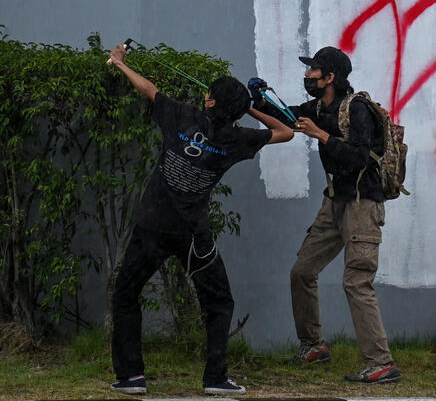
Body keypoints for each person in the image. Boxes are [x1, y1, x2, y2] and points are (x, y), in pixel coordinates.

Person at [107, 44, 294, 395]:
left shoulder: (182, 116)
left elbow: (148, 89)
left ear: (209, 103)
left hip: (151, 226)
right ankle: (215, 379)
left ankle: (131, 377)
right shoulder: (238, 137)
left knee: (126, 295)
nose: (205, 95)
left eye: (209, 93)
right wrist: (249, 107)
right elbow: (286, 132)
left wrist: (119, 63)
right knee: (219, 302)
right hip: (193, 235)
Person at [249, 46, 401, 384]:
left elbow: (362, 157)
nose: (307, 76)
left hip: (363, 203)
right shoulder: (319, 107)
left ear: (330, 77)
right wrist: (258, 102)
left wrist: (322, 135)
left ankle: (381, 363)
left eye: (313, 71)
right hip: (335, 201)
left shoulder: (357, 108)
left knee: (356, 281)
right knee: (302, 271)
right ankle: (313, 346)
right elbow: (288, 118)